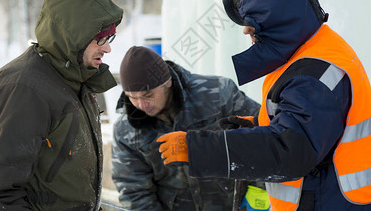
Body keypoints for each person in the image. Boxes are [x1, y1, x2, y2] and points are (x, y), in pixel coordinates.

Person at [157, 0, 371, 210]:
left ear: (281, 21)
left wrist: (199, 149)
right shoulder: (313, 50)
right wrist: (258, 126)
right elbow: (310, 127)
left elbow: (288, 150)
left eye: (254, 23)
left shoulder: (313, 77)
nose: (246, 31)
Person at [0, 0, 123, 211]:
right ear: (73, 35)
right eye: (100, 39)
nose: (107, 49)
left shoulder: (77, 80)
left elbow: (65, 184)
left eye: (109, 39)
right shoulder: (24, 89)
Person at [111, 46, 262, 210]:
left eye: (148, 95)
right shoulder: (126, 131)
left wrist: (259, 190)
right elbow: (134, 190)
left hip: (233, 204)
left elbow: (263, 135)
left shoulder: (218, 94)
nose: (142, 104)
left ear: (167, 82)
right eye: (133, 97)